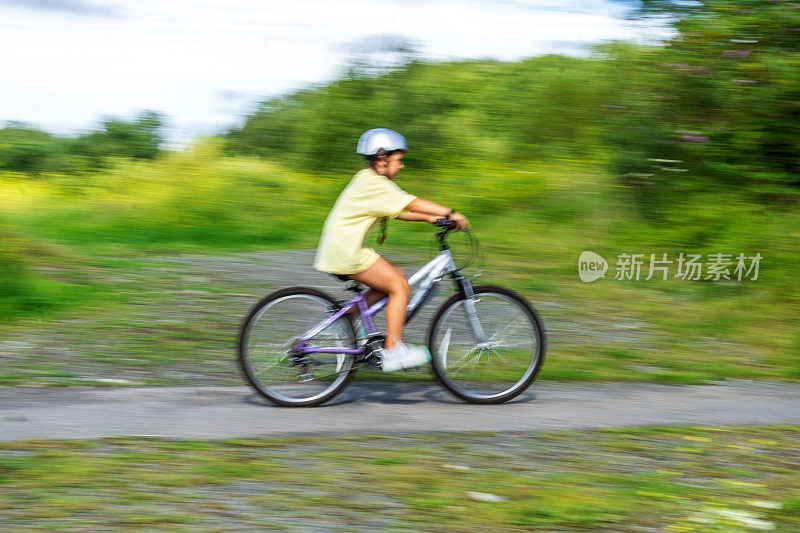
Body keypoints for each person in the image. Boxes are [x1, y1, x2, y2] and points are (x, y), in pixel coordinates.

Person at [314, 128, 469, 372]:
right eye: (399, 159)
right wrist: (450, 213)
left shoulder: (368, 179)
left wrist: (429, 220)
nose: (402, 165)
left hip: (340, 248)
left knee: (393, 276)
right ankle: (394, 352)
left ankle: (349, 316)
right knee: (399, 286)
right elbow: (410, 202)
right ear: (382, 158)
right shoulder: (373, 182)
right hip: (347, 251)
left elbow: (399, 211)